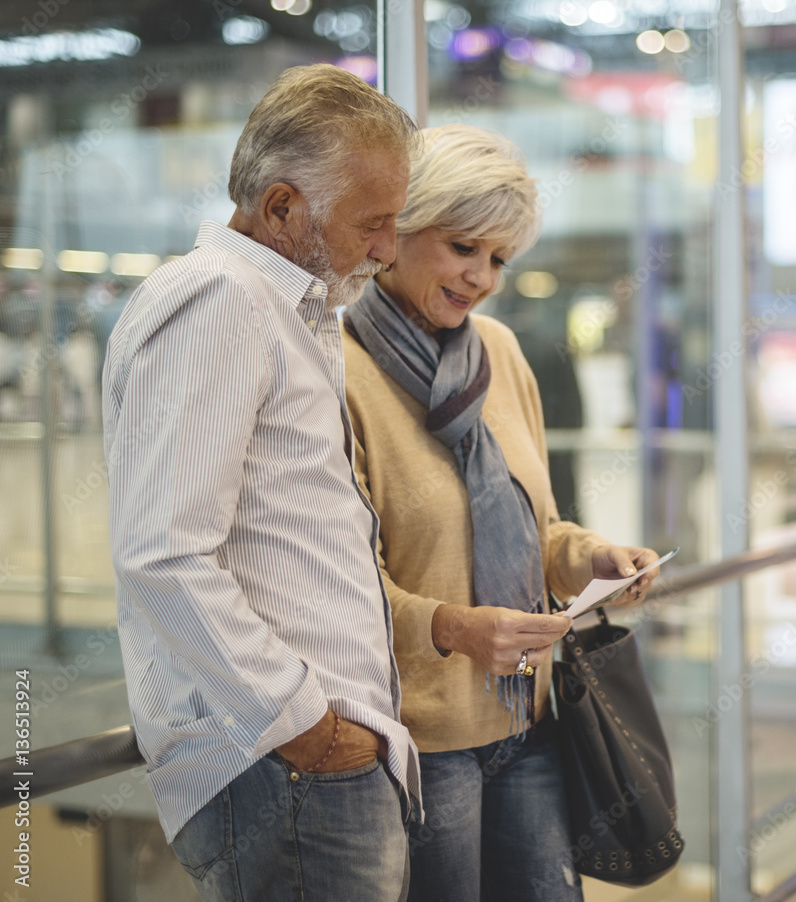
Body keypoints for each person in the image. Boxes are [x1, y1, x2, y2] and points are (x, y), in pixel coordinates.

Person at [102, 64, 419, 902]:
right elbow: (162, 554)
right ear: (281, 207)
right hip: (285, 769)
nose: (388, 249)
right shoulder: (221, 300)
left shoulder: (287, 310)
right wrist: (304, 726)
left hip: (306, 763)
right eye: (374, 222)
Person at [341, 123, 662, 901]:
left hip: (530, 719)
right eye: (462, 247)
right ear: (398, 230)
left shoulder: (500, 352)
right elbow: (336, 587)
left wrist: (591, 557)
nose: (481, 277)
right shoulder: (334, 370)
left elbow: (535, 524)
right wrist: (453, 626)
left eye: (498, 259)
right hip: (420, 741)